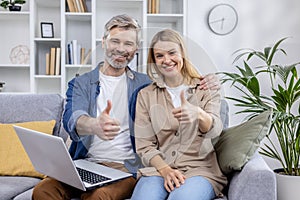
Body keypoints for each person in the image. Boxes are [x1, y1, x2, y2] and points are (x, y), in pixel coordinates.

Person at [32, 15, 220, 200]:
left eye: (128, 44)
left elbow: (176, 79)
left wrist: (208, 81)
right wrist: (94, 125)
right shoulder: (81, 83)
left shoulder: (145, 85)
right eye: (115, 41)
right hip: (84, 163)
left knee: (101, 197)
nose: (121, 49)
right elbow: (73, 118)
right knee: (43, 191)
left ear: (136, 49)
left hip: (125, 168)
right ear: (104, 42)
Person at [131, 29, 227, 200]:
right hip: (159, 170)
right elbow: (145, 146)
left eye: (172, 53)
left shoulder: (205, 88)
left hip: (200, 170)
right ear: (154, 61)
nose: (166, 60)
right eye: (159, 56)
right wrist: (166, 170)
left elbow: (215, 130)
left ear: (182, 53)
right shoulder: (145, 95)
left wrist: (198, 114)